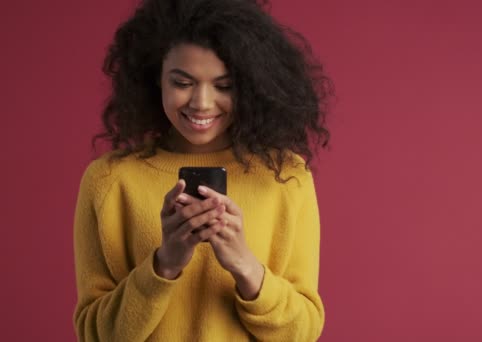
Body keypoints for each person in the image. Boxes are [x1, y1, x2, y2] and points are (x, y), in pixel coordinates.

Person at [72, 0, 333, 340]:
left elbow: (304, 332)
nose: (202, 103)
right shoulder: (109, 181)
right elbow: (94, 335)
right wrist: (164, 263)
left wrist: (244, 265)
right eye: (182, 82)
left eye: (224, 86)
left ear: (251, 86)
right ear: (156, 79)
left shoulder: (287, 178)